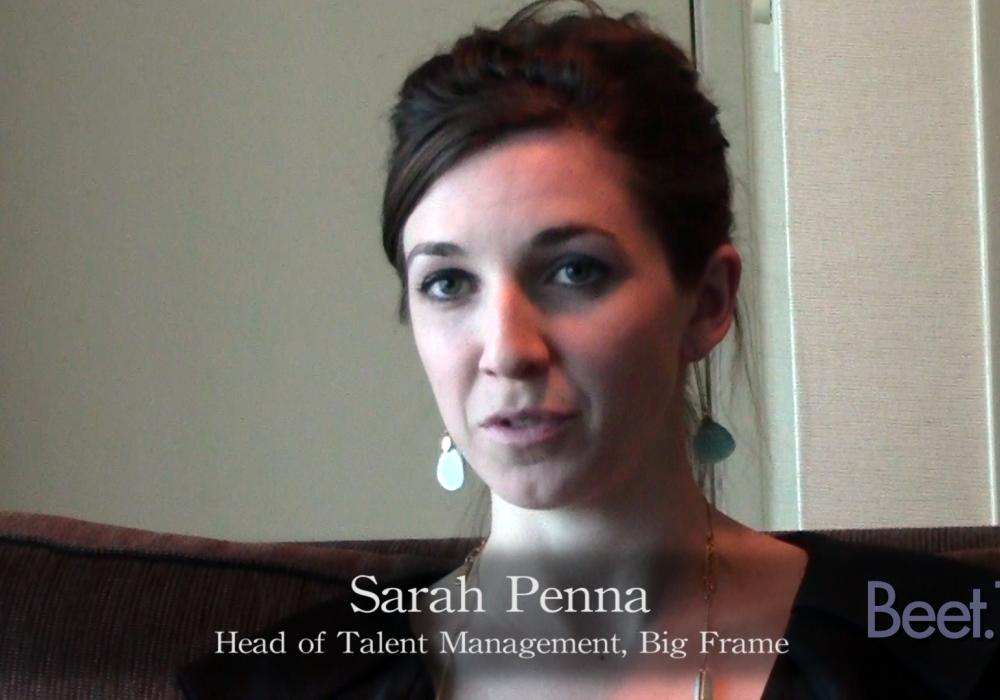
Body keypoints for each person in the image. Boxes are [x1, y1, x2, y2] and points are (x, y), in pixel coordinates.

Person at [178, 1, 1000, 697]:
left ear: (707, 302)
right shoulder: (287, 682)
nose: (507, 351)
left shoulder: (944, 649)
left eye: (574, 271)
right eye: (448, 283)